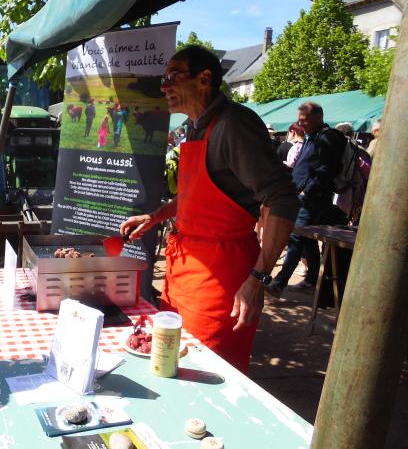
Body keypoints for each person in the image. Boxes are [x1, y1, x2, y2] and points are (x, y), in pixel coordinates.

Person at [119, 46, 298, 373]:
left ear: (204, 79)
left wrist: (257, 278)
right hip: (183, 270)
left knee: (204, 369)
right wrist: (155, 216)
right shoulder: (196, 126)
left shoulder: (233, 125)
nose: (164, 87)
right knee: (168, 358)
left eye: (173, 77)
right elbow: (196, 194)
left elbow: (282, 198)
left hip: (220, 279)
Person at [266, 102, 346, 296]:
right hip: (302, 196)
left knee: (295, 237)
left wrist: (305, 193)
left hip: (311, 200)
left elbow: (327, 170)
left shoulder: (327, 137)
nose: (301, 124)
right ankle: (311, 280)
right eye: (299, 120)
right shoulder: (313, 137)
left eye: (304, 120)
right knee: (307, 240)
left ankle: (279, 282)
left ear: (318, 117)